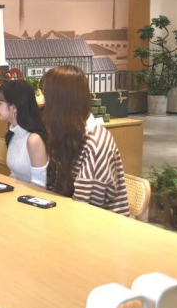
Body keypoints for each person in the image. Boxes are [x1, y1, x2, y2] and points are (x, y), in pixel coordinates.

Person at [41, 66, 130, 215]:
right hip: (66, 217)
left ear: (60, 103)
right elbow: (52, 189)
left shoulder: (95, 144)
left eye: (47, 98)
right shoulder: (66, 134)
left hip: (99, 224)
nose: (44, 104)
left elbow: (84, 209)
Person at [0, 80, 49, 187]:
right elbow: (15, 174)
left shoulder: (34, 139)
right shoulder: (13, 133)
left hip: (33, 195)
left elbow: (40, 185)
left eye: (0, 103)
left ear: (14, 108)